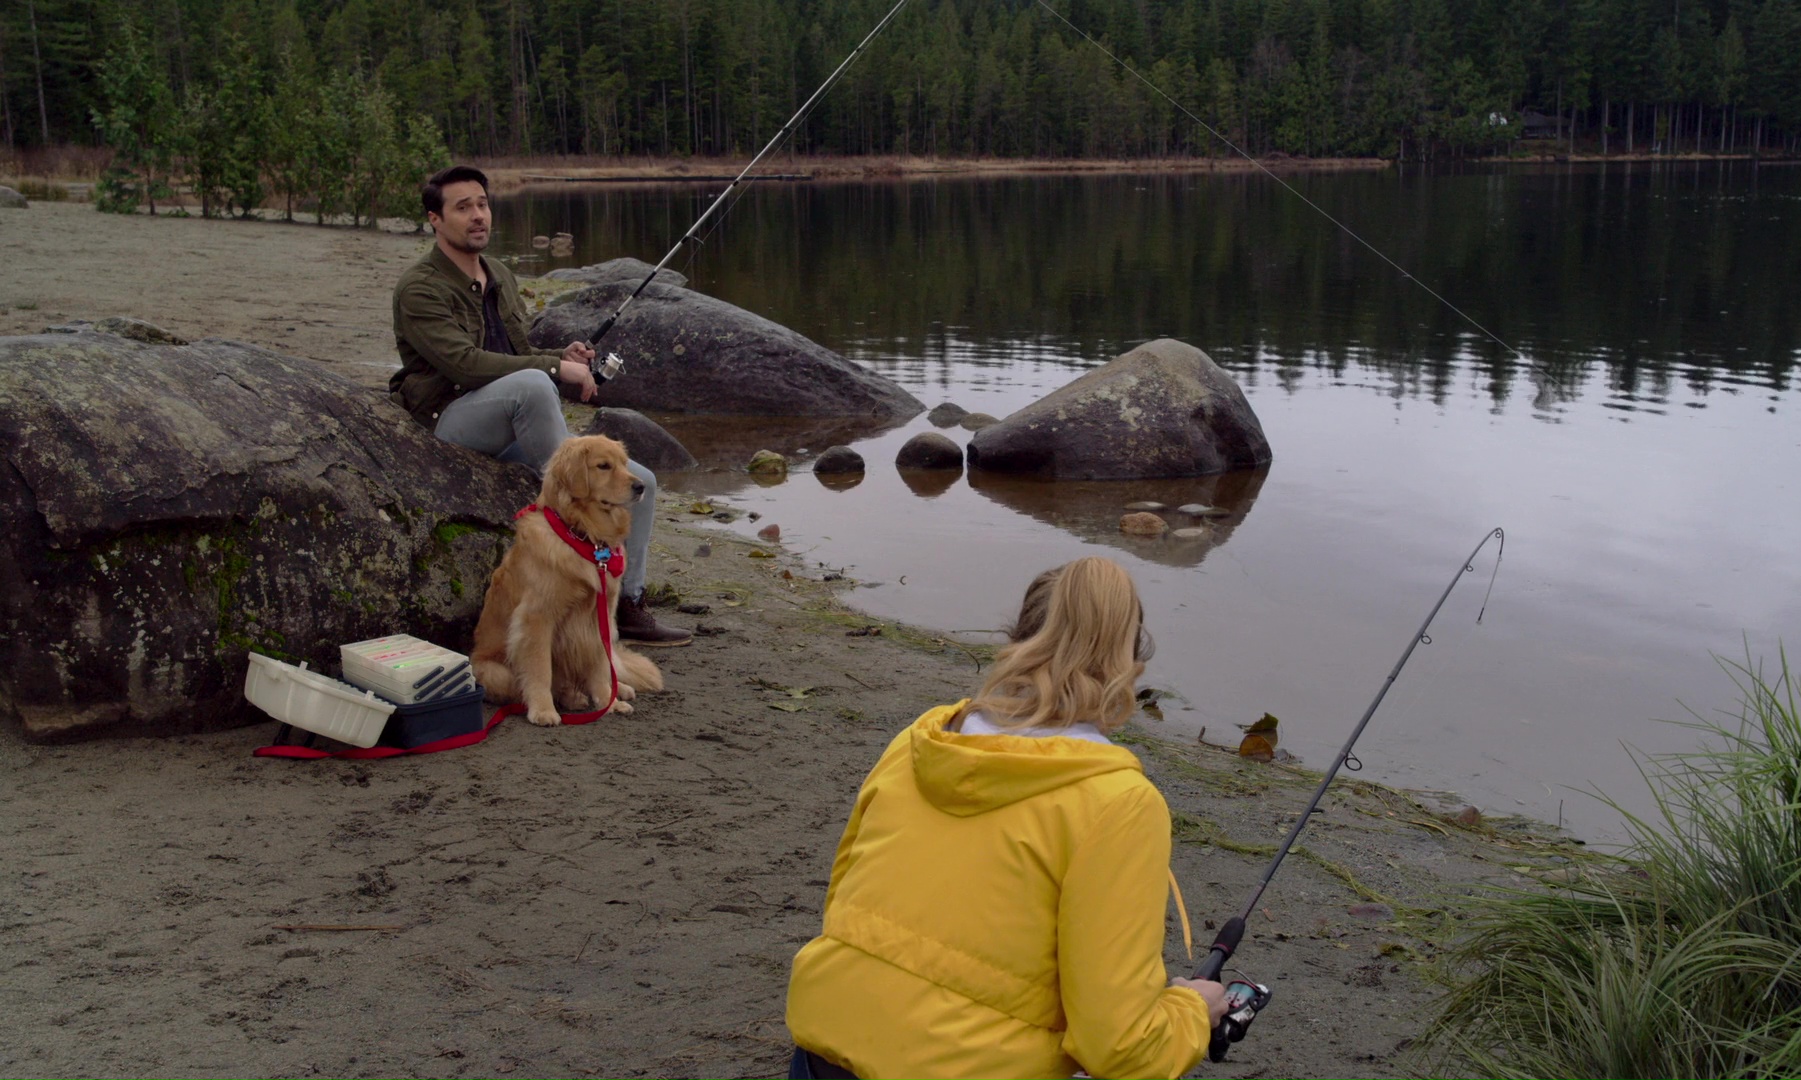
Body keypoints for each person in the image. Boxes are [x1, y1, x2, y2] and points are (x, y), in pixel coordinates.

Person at [785, 557, 1228, 1080]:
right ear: (1128, 666)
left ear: (1017, 640)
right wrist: (1193, 1010)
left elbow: (841, 899)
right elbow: (1121, 1048)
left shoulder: (920, 740)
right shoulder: (1120, 802)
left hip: (820, 1052)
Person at [389, 164, 688, 646]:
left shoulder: (499, 274)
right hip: (449, 418)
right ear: (435, 220)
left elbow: (517, 351)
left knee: (643, 483)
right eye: (462, 208)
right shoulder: (419, 287)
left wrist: (562, 357)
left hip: (509, 413)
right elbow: (464, 364)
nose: (477, 215)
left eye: (482, 204)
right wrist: (552, 369)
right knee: (533, 384)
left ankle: (626, 603)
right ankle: (575, 506)